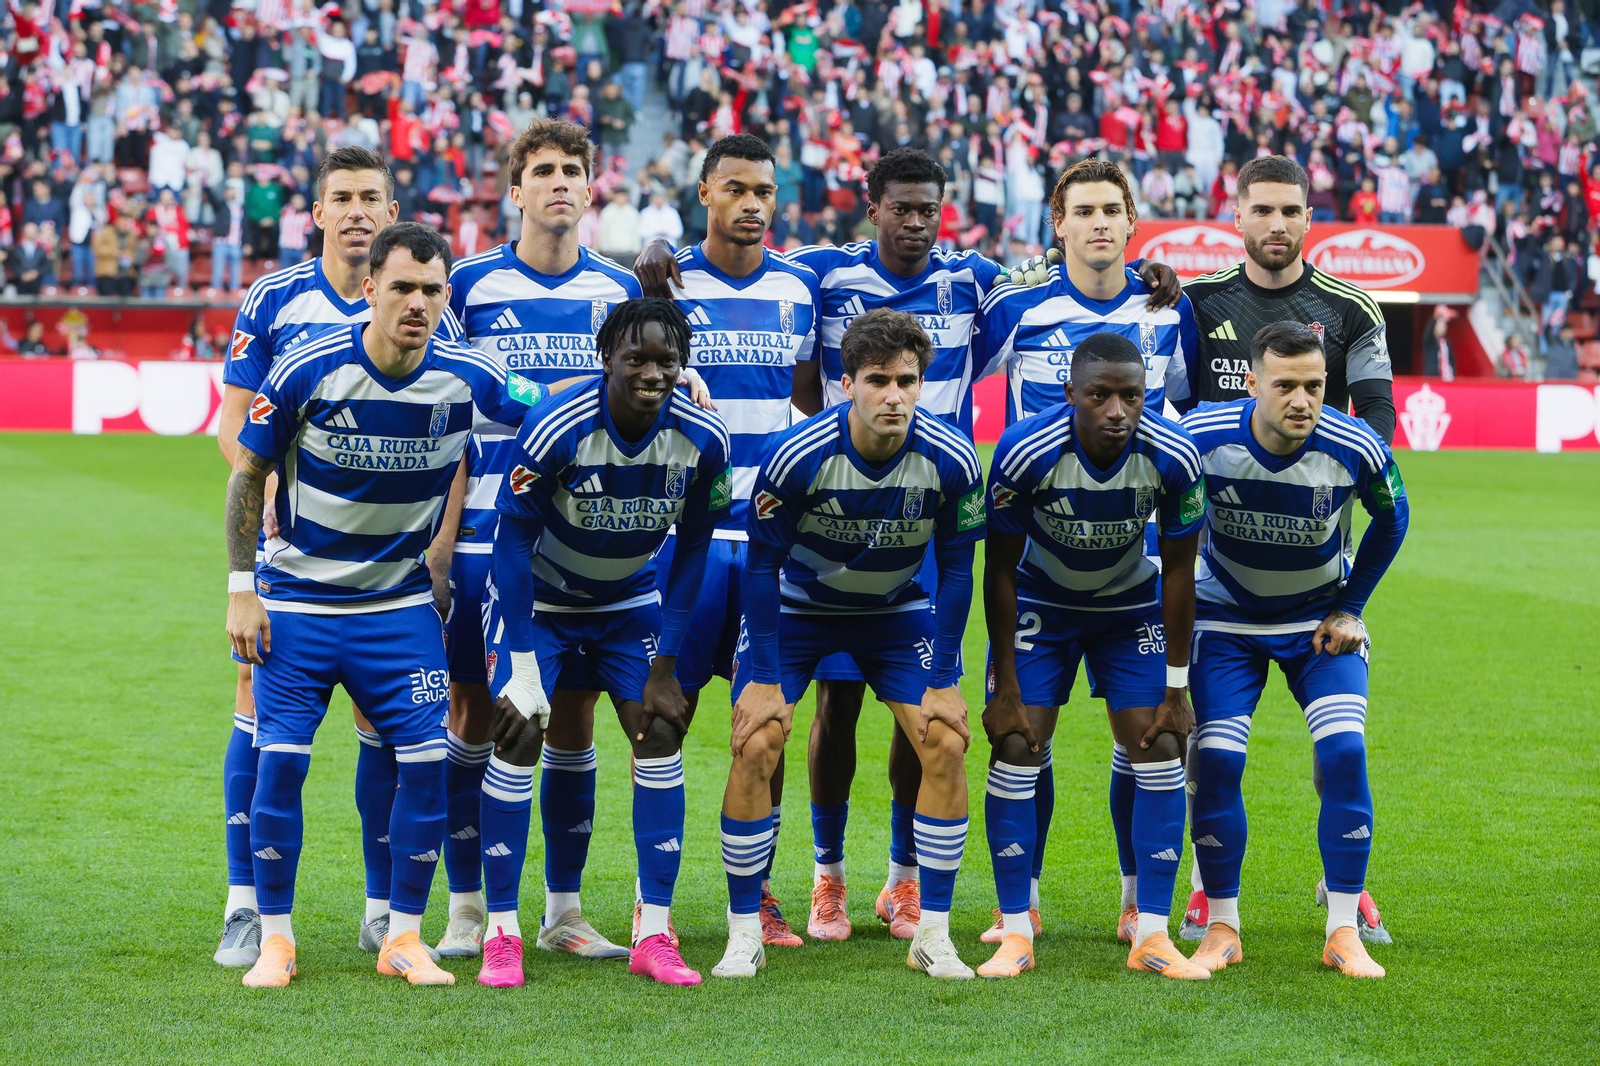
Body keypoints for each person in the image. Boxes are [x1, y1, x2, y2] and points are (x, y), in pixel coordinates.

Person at [223, 221, 555, 989]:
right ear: (368, 286)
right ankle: (277, 938)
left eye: (432, 290)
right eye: (401, 286)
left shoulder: (470, 374)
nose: (416, 303)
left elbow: (553, 401)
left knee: (429, 764)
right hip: (299, 603)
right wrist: (243, 591)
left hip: (397, 608)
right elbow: (248, 474)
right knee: (281, 768)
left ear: (448, 297)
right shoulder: (309, 367)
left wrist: (673, 385)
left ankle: (403, 936)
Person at [712, 308, 984, 981]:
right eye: (878, 380)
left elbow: (956, 572)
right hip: (799, 612)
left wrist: (946, 675)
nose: (894, 395)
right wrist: (766, 674)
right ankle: (744, 929)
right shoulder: (797, 456)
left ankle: (934, 935)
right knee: (758, 740)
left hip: (894, 615)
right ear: (846, 384)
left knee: (945, 740)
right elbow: (761, 567)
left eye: (908, 381)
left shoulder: (950, 458)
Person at [975, 156, 1200, 944]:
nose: (1100, 222)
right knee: (1020, 738)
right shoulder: (1017, 307)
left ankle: (1144, 905)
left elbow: (1187, 416)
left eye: (1114, 209)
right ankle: (1019, 903)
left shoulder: (1170, 308)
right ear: (1058, 225)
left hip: (1131, 568)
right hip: (1039, 563)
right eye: (1085, 210)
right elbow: (941, 378)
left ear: (1133, 224)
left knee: (1148, 739)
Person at [436, 118, 644, 963]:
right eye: (543, 171)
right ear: (513, 190)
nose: (560, 183)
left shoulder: (618, 292)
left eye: (573, 170)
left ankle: (563, 911)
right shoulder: (468, 285)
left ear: (590, 190)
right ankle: (465, 907)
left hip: (587, 550)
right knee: (474, 712)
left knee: (572, 721)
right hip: (491, 536)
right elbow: (446, 413)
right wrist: (443, 544)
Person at [1175, 155, 1398, 941]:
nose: (1277, 224)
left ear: (1309, 219)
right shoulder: (1195, 305)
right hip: (1221, 562)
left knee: (1337, 742)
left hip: (1313, 550)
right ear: (1236, 217)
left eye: (1291, 211)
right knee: (1212, 748)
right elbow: (1169, 424)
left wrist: (1316, 470)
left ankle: (1344, 882)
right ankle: (1208, 885)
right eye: (1262, 210)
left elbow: (1376, 416)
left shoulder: (1351, 309)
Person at [481, 298, 730, 989]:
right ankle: (502, 931)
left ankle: (655, 932)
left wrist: (668, 663)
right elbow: (511, 543)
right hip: (541, 602)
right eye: (637, 359)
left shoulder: (705, 439)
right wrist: (524, 668)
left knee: (659, 731)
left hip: (627, 605)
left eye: (666, 361)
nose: (652, 372)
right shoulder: (559, 425)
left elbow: (693, 551)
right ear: (606, 360)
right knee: (521, 730)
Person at [213, 146, 420, 971]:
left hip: (383, 552)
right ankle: (242, 905)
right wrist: (260, 496)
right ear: (318, 212)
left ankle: (380, 912)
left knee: (380, 711)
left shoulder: (412, 293)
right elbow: (234, 421)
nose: (360, 210)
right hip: (288, 542)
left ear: (391, 206)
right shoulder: (274, 297)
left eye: (373, 196)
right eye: (344, 198)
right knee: (253, 690)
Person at [635, 134, 822, 948]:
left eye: (765, 192)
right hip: (689, 543)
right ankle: (656, 910)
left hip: (770, 544)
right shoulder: (664, 281)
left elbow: (808, 405)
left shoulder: (798, 289)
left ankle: (762, 896)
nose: (752, 203)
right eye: (736, 188)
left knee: (766, 727)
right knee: (664, 716)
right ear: (704, 191)